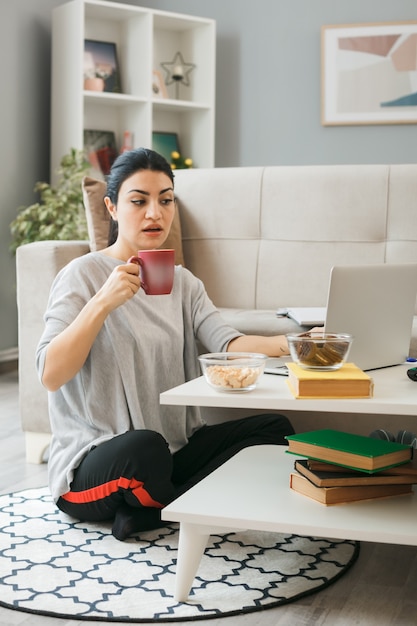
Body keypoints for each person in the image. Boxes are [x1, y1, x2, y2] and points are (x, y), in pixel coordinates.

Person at [36, 147, 295, 541]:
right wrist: (103, 302)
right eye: (139, 201)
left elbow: (230, 343)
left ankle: (150, 511)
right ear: (112, 207)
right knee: (145, 449)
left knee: (275, 429)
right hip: (96, 460)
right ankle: (182, 503)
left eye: (166, 200)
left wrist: (296, 344)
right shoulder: (83, 275)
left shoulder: (184, 283)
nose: (154, 213)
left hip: (172, 452)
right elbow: (51, 373)